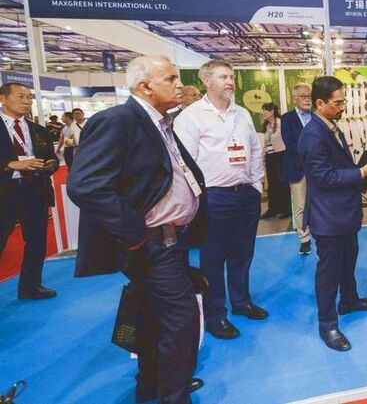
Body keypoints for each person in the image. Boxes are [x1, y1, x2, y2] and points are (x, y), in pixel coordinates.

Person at [67, 56, 206, 403]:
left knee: (153, 317)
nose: (180, 85)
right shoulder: (118, 120)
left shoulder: (158, 121)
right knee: (182, 320)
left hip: (169, 240)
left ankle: (154, 385)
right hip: (152, 243)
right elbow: (85, 185)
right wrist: (134, 233)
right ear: (145, 86)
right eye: (170, 78)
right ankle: (173, 396)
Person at [174, 59, 267, 340]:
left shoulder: (243, 113)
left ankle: (241, 302)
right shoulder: (191, 117)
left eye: (232, 77)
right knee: (213, 259)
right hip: (213, 198)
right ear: (207, 81)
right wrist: (196, 200)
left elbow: (254, 150)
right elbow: (185, 163)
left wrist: (256, 184)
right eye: (224, 77)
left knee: (242, 254)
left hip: (245, 195)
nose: (230, 82)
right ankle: (215, 315)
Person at [297, 76, 367, 351]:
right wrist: (361, 172)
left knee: (348, 260)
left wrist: (364, 172)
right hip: (328, 216)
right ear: (319, 103)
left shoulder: (331, 127)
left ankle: (349, 299)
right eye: (337, 103)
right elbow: (322, 177)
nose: (343, 106)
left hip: (343, 212)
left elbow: (338, 167)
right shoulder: (313, 134)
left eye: (343, 101)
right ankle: (328, 325)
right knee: (329, 272)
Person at [0, 82, 59, 300]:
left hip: (35, 190)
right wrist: (10, 165)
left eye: (29, 98)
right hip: (4, 192)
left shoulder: (38, 130)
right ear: (3, 98)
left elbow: (51, 157)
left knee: (36, 241)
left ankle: (30, 286)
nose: (26, 101)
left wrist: (49, 165)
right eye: (20, 97)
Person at [281, 83, 313, 255]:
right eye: (303, 96)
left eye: (309, 96)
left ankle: (320, 233)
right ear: (295, 98)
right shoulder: (287, 118)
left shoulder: (317, 116)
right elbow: (290, 143)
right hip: (297, 168)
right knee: (300, 205)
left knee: (319, 202)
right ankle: (304, 239)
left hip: (317, 168)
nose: (307, 99)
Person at [260, 102, 290, 220]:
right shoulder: (267, 126)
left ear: (272, 112)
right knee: (272, 184)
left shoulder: (282, 123)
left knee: (282, 183)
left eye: (264, 111)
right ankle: (272, 208)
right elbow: (266, 143)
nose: (263, 113)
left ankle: (285, 209)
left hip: (281, 156)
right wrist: (263, 157)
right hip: (270, 157)